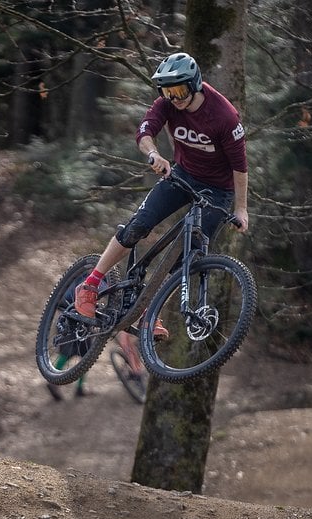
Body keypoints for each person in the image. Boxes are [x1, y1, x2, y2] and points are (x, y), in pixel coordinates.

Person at [75, 52, 250, 337]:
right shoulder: (167, 105)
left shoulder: (224, 115)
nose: (175, 97)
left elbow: (240, 167)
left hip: (219, 191)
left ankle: (149, 312)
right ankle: (90, 284)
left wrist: (241, 209)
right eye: (167, 91)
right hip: (182, 175)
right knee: (139, 225)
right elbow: (144, 132)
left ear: (194, 84)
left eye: (179, 90)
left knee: (190, 255)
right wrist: (154, 154)